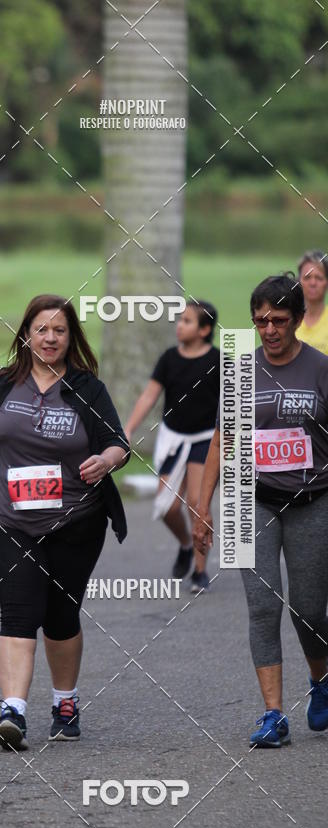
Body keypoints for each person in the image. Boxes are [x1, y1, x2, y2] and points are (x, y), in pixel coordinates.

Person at [0, 294, 130, 751]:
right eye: (42, 329)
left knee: (60, 615)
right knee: (17, 612)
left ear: (71, 338)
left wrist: (106, 461)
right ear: (26, 335)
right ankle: (12, 711)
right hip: (8, 519)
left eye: (59, 330)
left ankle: (65, 702)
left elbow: (118, 442)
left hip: (76, 522)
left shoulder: (87, 388)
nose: (50, 338)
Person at [194, 273, 328, 748]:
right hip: (251, 500)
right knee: (263, 607)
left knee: (309, 610)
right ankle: (273, 714)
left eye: (279, 320)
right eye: (260, 321)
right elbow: (222, 441)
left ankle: (321, 680)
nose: (269, 330)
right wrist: (202, 507)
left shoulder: (320, 369)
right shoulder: (240, 372)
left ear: (298, 319)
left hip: (313, 501)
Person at [123, 301, 220, 593]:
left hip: (205, 439)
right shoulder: (169, 358)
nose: (179, 325)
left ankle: (200, 571)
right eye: (180, 319)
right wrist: (128, 429)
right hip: (174, 438)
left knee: (197, 503)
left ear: (204, 329)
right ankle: (186, 544)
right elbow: (149, 396)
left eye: (187, 321)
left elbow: (233, 404)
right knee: (166, 507)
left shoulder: (220, 361)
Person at [296, 249, 328, 354]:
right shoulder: (287, 319)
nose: (313, 283)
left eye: (319, 278)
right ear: (299, 281)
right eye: (307, 277)